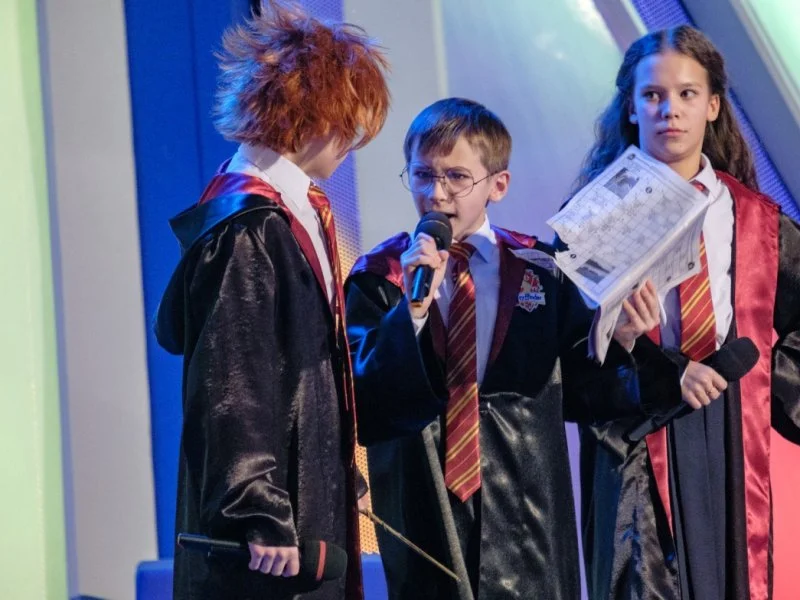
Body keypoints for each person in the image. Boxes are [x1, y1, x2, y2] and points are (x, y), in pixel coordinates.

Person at [344, 97, 659, 599]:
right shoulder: (380, 278)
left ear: (498, 184)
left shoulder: (542, 270)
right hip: (426, 500)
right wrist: (413, 310)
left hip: (526, 508)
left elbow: (583, 389)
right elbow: (367, 398)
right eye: (422, 175)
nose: (436, 194)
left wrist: (618, 340)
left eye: (456, 177)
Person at [154, 2, 390, 598]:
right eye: (348, 123)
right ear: (316, 113)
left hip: (303, 500)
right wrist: (255, 505)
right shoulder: (248, 222)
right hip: (269, 536)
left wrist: (333, 468)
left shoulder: (292, 209)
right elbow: (232, 377)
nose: (350, 143)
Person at [575, 25, 800, 600]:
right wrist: (623, 341)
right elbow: (566, 353)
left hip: (730, 424)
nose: (669, 109)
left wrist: (759, 374)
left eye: (687, 94)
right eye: (652, 95)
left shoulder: (759, 220)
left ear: (713, 106)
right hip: (636, 428)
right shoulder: (594, 220)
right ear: (631, 107)